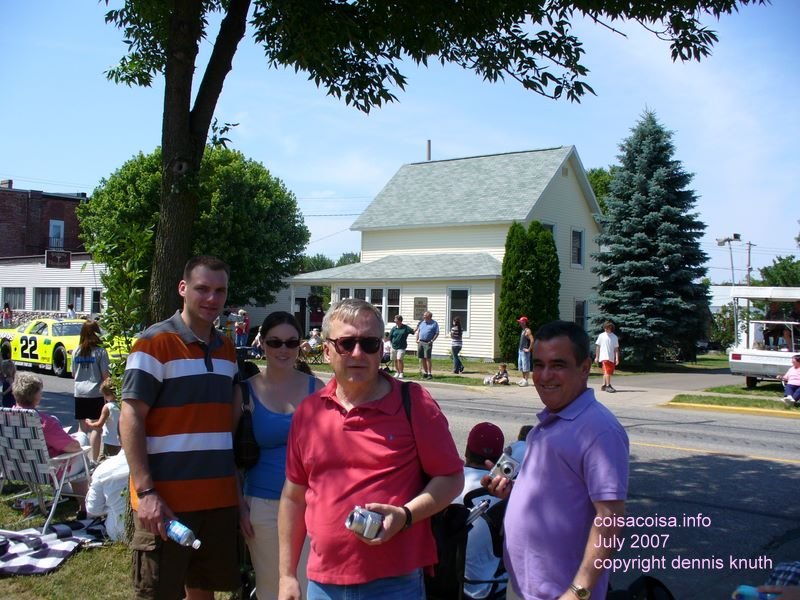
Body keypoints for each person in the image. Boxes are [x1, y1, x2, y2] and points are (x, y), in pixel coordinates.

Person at [277, 298, 464, 600]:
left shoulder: (414, 402)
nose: (358, 353)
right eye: (346, 343)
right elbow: (294, 496)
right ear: (326, 350)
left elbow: (451, 478)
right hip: (323, 583)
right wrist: (286, 575)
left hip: (394, 583)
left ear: (381, 349)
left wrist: (405, 515)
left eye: (369, 343)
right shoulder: (308, 412)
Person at [120, 255, 241, 600]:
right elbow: (130, 417)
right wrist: (145, 493)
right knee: (159, 592)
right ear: (183, 288)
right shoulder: (153, 344)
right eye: (202, 289)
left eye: (220, 291)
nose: (212, 299)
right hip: (166, 504)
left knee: (203, 592)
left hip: (216, 501)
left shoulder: (227, 349)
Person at [484, 320, 629, 600]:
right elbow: (558, 497)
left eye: (558, 365)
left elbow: (610, 519)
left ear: (585, 367)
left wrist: (578, 591)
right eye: (538, 364)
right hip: (524, 587)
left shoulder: (599, 430)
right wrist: (513, 493)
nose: (545, 375)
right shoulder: (548, 423)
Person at [238, 311, 324, 600]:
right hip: (262, 505)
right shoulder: (245, 392)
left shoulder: (317, 390)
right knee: (271, 587)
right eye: (275, 343)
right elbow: (229, 453)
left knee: (308, 585)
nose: (283, 349)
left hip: (310, 505)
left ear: (300, 344)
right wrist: (239, 504)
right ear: (262, 344)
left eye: (291, 342)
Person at [12, 372, 89, 516]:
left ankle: (67, 492)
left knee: (77, 440)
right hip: (46, 471)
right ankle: (84, 507)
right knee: (81, 449)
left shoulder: (7, 417)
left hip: (18, 467)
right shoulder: (42, 422)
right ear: (35, 395)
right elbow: (73, 447)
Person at [454, 422, 508, 600]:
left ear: (467, 451)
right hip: (486, 590)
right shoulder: (507, 494)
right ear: (500, 458)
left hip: (444, 584)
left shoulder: (445, 483)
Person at [72, 319, 110, 463]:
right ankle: (93, 460)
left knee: (82, 429)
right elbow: (105, 375)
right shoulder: (100, 352)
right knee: (96, 428)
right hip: (95, 393)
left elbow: (73, 373)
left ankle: (80, 460)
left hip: (79, 392)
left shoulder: (77, 351)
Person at [86, 448, 130, 541]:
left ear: (118, 438)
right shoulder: (162, 461)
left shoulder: (104, 467)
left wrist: (111, 507)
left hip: (119, 534)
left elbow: (93, 510)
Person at [85, 378, 121, 459]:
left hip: (110, 441)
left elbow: (99, 424)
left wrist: (89, 423)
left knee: (107, 460)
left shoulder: (108, 407)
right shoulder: (121, 405)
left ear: (106, 394)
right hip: (120, 441)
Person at [595, 321, 621, 393]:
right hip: (604, 357)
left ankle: (603, 385)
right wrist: (597, 357)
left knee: (608, 372)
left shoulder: (614, 337)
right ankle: (608, 385)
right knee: (607, 371)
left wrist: (617, 358)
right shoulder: (601, 336)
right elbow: (598, 346)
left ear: (611, 328)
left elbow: (616, 349)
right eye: (605, 328)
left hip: (611, 357)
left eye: (607, 328)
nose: (606, 329)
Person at [416, 311, 440, 380]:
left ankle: (429, 373)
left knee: (427, 358)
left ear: (429, 316)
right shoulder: (422, 322)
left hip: (428, 342)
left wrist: (432, 341)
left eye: (425, 316)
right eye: (423, 315)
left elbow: (437, 333)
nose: (423, 317)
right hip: (421, 342)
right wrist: (417, 339)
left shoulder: (434, 323)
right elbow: (419, 331)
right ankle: (425, 372)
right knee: (422, 358)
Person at [516, 317, 534, 387]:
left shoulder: (527, 331)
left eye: (520, 322)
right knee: (522, 366)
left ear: (524, 322)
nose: (519, 323)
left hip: (524, 351)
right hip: (520, 351)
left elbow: (532, 340)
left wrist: (529, 349)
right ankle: (523, 379)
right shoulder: (523, 330)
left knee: (526, 366)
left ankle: (526, 381)